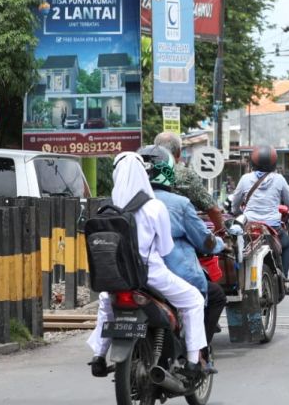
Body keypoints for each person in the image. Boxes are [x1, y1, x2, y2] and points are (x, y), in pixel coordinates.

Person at [87, 151, 210, 376]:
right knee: (193, 300)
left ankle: (98, 356)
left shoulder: (105, 208)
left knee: (106, 305)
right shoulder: (154, 207)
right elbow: (165, 249)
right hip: (150, 276)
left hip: (115, 278)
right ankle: (193, 361)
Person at [139, 146, 227, 365]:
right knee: (213, 296)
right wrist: (220, 244)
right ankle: (197, 354)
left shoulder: (123, 202)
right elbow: (204, 240)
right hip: (171, 272)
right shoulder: (177, 204)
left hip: (130, 274)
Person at [231, 144, 289, 293]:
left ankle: (237, 280)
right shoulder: (279, 179)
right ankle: (284, 279)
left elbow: (235, 202)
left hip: (249, 226)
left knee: (239, 249)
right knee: (287, 245)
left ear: (253, 163)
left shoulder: (245, 178)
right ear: (274, 164)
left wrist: (235, 211)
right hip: (272, 227)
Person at [153, 131, 226, 233]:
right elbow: (213, 210)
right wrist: (219, 232)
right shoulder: (185, 175)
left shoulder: (145, 171)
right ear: (178, 152)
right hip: (180, 236)